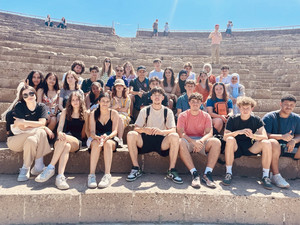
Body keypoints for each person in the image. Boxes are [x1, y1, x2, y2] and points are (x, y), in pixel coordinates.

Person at [126, 87, 183, 184]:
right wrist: (145, 130)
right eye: (155, 95)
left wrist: (161, 132)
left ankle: (171, 170)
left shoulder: (167, 111)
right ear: (151, 97)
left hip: (161, 141)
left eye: (159, 95)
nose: (157, 97)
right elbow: (136, 128)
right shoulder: (145, 110)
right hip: (146, 139)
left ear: (163, 98)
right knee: (131, 134)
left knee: (175, 136)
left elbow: (173, 129)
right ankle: (136, 168)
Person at [35, 91, 88, 189]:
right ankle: (60, 177)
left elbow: (85, 134)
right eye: (73, 100)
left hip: (76, 140)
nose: (75, 102)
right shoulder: (65, 111)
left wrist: (63, 135)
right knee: (66, 145)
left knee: (65, 140)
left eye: (77, 100)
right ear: (70, 102)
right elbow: (59, 128)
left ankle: (50, 167)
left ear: (81, 101)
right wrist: (59, 133)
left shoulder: (85, 113)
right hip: (62, 139)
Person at [221, 97, 273, 190]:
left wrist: (253, 136)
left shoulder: (256, 119)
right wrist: (239, 132)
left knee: (266, 142)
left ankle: (265, 176)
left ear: (252, 108)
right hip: (235, 147)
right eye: (243, 108)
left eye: (247, 108)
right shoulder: (233, 119)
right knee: (229, 139)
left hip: (250, 147)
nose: (245, 110)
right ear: (239, 108)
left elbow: (265, 136)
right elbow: (225, 136)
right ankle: (228, 173)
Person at [7, 86, 53, 181]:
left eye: (31, 93)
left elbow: (41, 123)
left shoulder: (41, 107)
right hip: (15, 140)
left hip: (31, 140)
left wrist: (24, 122)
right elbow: (22, 128)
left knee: (31, 140)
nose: (29, 96)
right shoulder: (19, 105)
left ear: (35, 94)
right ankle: (39, 165)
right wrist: (42, 127)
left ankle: (25, 168)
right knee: (41, 131)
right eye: (25, 95)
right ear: (22, 97)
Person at [177, 93, 221, 188]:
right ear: (189, 103)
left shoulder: (206, 115)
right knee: (180, 141)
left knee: (216, 142)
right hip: (188, 141)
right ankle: (195, 174)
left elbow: (209, 133)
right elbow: (180, 133)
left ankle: (207, 174)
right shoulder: (183, 115)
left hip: (201, 140)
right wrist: (193, 142)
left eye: (198, 102)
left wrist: (200, 141)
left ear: (201, 103)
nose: (195, 104)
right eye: (193, 101)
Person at [262, 94, 300, 188]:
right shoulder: (270, 117)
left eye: (292, 105)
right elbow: (263, 135)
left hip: (289, 148)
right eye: (286, 104)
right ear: (280, 104)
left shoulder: (296, 118)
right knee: (273, 142)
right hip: (272, 147)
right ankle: (276, 175)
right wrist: (282, 137)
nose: (289, 107)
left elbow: (299, 135)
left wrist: (294, 141)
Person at [87, 93, 119, 188]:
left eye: (107, 101)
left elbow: (115, 131)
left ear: (110, 102)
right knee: (96, 144)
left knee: (108, 144)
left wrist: (107, 137)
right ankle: (91, 175)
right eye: (103, 101)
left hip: (110, 138)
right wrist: (97, 137)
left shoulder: (114, 113)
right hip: (96, 137)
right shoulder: (94, 114)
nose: (105, 103)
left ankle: (107, 175)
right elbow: (91, 132)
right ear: (99, 102)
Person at [111, 79, 131, 146]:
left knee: (119, 117)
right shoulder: (111, 97)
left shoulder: (127, 97)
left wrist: (115, 108)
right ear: (115, 87)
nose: (119, 87)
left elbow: (125, 110)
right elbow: (108, 109)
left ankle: (120, 139)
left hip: (124, 115)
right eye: (117, 85)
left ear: (123, 87)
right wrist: (116, 106)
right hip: (112, 114)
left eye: (121, 86)